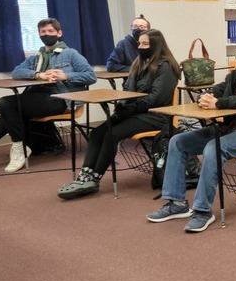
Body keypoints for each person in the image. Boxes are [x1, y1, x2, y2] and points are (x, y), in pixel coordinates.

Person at [146, 38, 236, 233]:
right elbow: (218, 90)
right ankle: (177, 203)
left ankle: (203, 211)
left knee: (214, 148)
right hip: (228, 128)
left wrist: (220, 103)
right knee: (177, 141)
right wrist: (206, 96)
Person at [57, 29, 179, 199]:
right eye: (139, 43)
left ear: (156, 46)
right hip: (134, 112)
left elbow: (155, 99)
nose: (140, 47)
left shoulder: (166, 66)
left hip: (157, 115)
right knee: (97, 132)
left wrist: (128, 110)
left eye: (145, 44)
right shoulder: (139, 63)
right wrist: (121, 105)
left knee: (112, 134)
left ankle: (94, 179)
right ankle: (85, 175)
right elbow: (127, 89)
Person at [0, 18, 96, 173]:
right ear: (39, 34)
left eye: (50, 31)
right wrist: (38, 74)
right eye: (43, 32)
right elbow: (17, 72)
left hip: (60, 99)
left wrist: (65, 76)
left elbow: (90, 76)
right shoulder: (37, 57)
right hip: (37, 97)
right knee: (5, 118)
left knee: (6, 104)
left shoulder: (70, 54)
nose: (47, 34)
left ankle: (19, 147)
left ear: (59, 33)